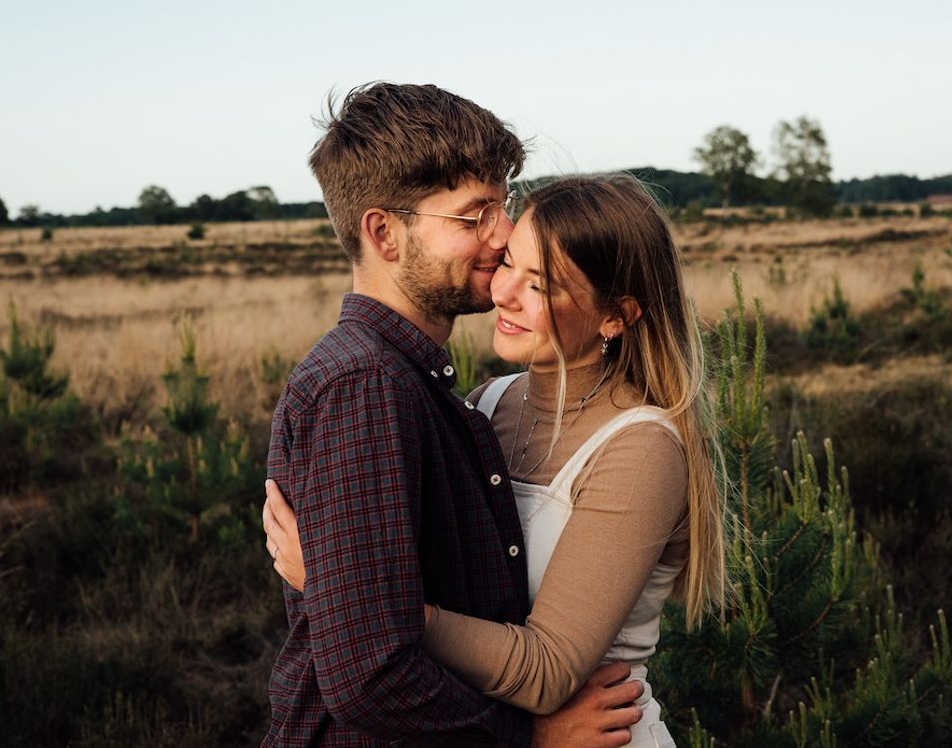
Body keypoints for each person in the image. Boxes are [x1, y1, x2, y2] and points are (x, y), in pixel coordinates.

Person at [265, 173, 727, 747]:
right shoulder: (484, 404)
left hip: (594, 733)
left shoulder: (639, 447)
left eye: (541, 285)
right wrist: (355, 589)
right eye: (509, 263)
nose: (504, 294)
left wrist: (351, 593)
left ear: (617, 315)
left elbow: (548, 669)